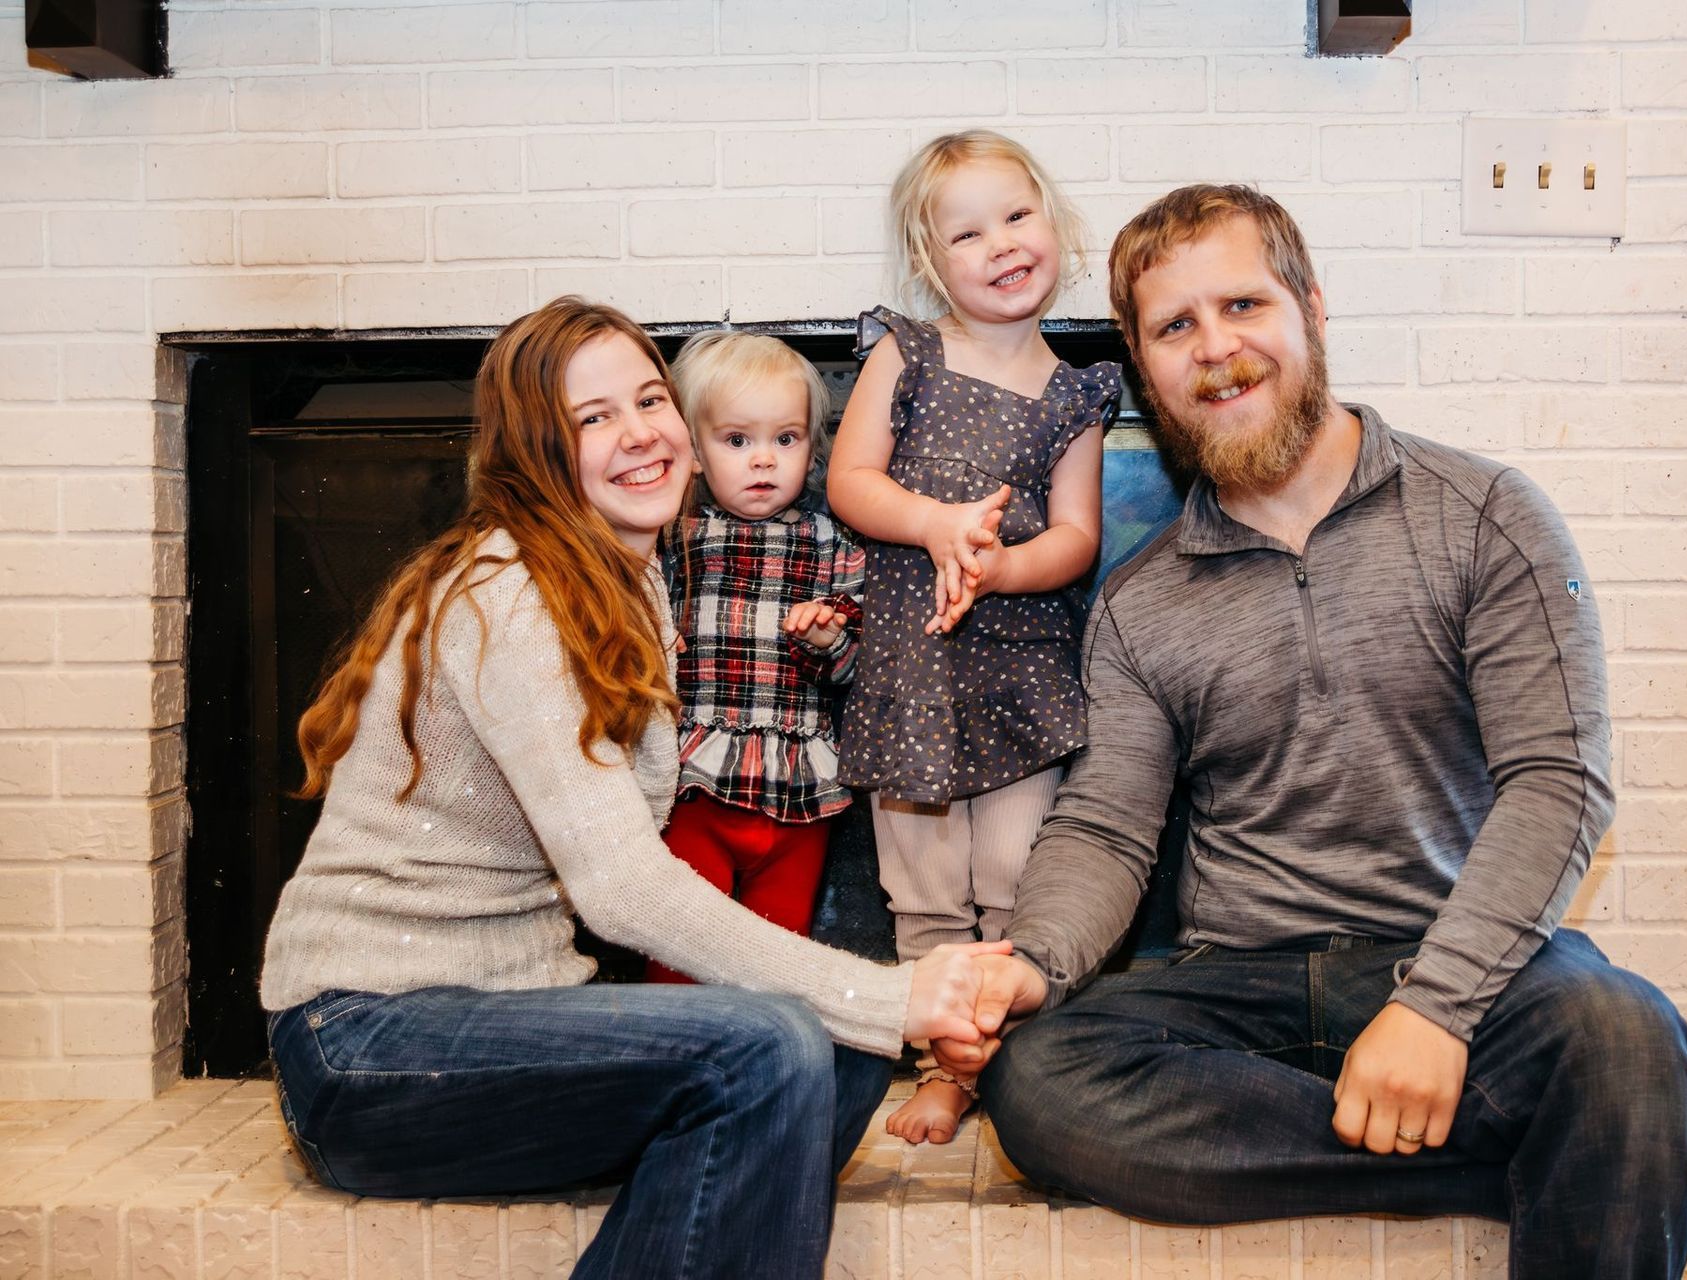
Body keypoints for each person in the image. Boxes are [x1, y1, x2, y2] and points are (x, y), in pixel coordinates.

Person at [934, 185, 1687, 1277]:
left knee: (1622, 1036)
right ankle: (1549, 1157)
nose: (1216, 350)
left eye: (1243, 305)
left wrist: (1436, 1010)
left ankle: (1595, 1126)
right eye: (1175, 326)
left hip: (1464, 958)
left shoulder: (1486, 515)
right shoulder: (1139, 601)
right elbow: (1110, 828)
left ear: (1312, 307)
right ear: (1141, 364)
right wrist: (1029, 962)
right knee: (1039, 1080)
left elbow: (1559, 783)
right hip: (1243, 990)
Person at [258, 297, 1007, 1280]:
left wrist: (873, 1004)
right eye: (593, 417)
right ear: (536, 451)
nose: (641, 431)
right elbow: (620, 885)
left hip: (496, 1018)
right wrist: (896, 991)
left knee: (840, 1044)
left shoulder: (627, 576)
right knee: (787, 1039)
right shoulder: (512, 595)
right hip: (367, 1041)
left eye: (649, 398)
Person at [826, 130, 1121, 1144]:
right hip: (911, 671)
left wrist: (998, 565)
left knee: (1013, 882)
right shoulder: (904, 356)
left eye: (1017, 215)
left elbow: (1077, 538)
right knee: (923, 891)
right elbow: (851, 480)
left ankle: (1016, 1070)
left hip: (1019, 676)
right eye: (968, 231)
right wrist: (937, 524)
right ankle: (941, 1068)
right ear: (929, 259)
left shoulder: (1075, 394)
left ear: (1055, 224)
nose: (1000, 242)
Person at [643, 331, 865, 985]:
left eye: (785, 439)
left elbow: (856, 668)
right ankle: (675, 1065)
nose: (763, 460)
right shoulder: (673, 538)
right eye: (737, 440)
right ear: (692, 451)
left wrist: (829, 641)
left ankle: (766, 1070)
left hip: (798, 786)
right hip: (696, 782)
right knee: (678, 946)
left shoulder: (834, 545)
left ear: (813, 447)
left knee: (779, 961)